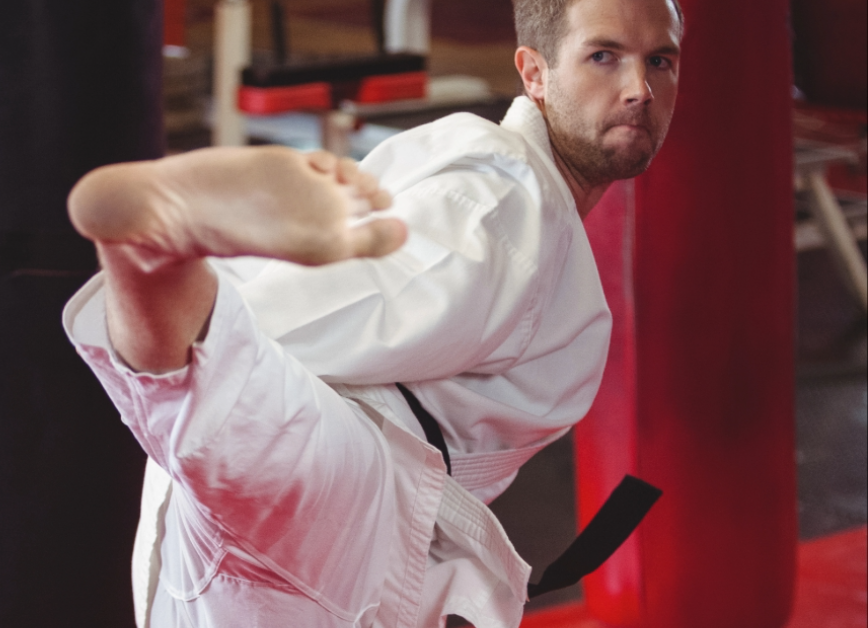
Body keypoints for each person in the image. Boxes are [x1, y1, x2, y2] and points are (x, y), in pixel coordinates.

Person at [62, 0, 682, 625]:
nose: (639, 89)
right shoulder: (507, 196)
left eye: (661, 60)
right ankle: (166, 256)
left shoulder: (497, 181)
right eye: (604, 57)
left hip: (264, 489)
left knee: (219, 393)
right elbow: (353, 304)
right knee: (237, 375)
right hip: (349, 474)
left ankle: (154, 258)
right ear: (535, 73)